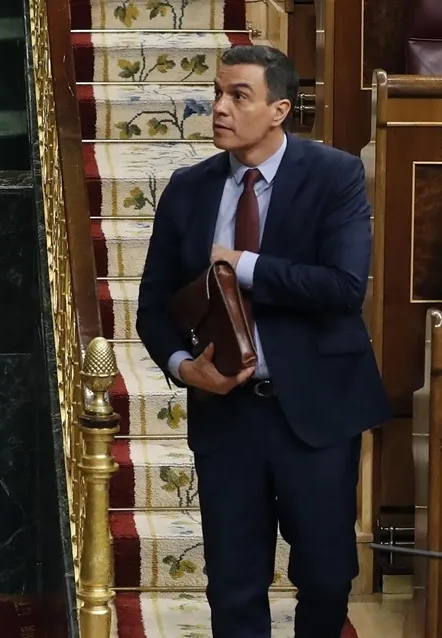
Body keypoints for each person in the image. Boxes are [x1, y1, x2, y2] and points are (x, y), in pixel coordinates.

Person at [136, 45, 391, 638]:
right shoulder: (188, 188)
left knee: (327, 577)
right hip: (229, 415)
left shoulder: (335, 175)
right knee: (233, 584)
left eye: (238, 96)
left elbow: (344, 286)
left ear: (279, 109)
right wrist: (181, 365)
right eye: (218, 93)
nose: (219, 107)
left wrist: (243, 265)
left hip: (317, 411)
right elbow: (153, 305)